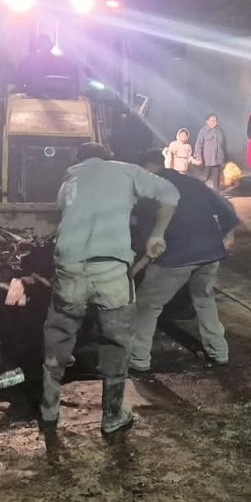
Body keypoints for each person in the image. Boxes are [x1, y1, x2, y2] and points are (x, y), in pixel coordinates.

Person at [42, 143, 178, 440]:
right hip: (110, 270)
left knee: (58, 338)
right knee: (116, 342)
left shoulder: (68, 182)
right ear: (109, 157)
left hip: (69, 268)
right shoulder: (125, 170)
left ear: (77, 158)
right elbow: (170, 192)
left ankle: (49, 410)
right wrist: (156, 234)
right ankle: (113, 415)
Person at [129, 150, 239, 375]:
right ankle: (219, 352)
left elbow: (148, 238)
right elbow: (227, 210)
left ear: (148, 168)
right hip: (210, 254)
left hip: (176, 257)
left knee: (147, 305)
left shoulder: (151, 192)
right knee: (204, 299)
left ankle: (138, 360)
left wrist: (137, 267)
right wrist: (227, 234)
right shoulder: (193, 183)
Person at [193, 113, 227, 191]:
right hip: (207, 159)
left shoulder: (220, 131)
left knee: (216, 179)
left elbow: (224, 145)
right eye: (211, 121)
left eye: (215, 121)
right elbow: (198, 144)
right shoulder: (203, 131)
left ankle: (216, 195)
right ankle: (196, 190)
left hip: (218, 159)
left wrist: (224, 158)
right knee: (205, 177)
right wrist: (199, 156)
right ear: (207, 121)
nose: (213, 122)